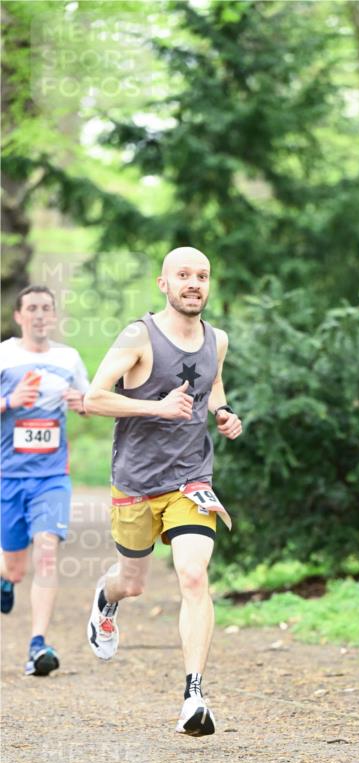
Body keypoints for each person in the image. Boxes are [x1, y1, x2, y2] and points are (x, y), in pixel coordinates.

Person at [83, 246, 242, 737]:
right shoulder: (139, 335)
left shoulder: (217, 339)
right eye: (183, 275)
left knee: (193, 575)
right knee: (133, 582)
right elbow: (92, 399)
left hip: (190, 479)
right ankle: (106, 601)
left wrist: (222, 412)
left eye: (202, 275)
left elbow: (212, 386)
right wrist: (155, 408)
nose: (194, 283)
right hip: (135, 481)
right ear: (164, 284)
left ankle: (194, 694)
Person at [0, 285, 89, 675]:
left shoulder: (68, 358)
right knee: (16, 568)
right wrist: (9, 402)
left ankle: (38, 646)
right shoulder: (4, 355)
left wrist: (80, 402)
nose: (39, 315)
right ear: (19, 316)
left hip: (52, 476)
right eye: (32, 308)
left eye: (46, 308)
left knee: (47, 550)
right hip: (8, 476)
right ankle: (5, 579)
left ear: (54, 316)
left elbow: (90, 402)